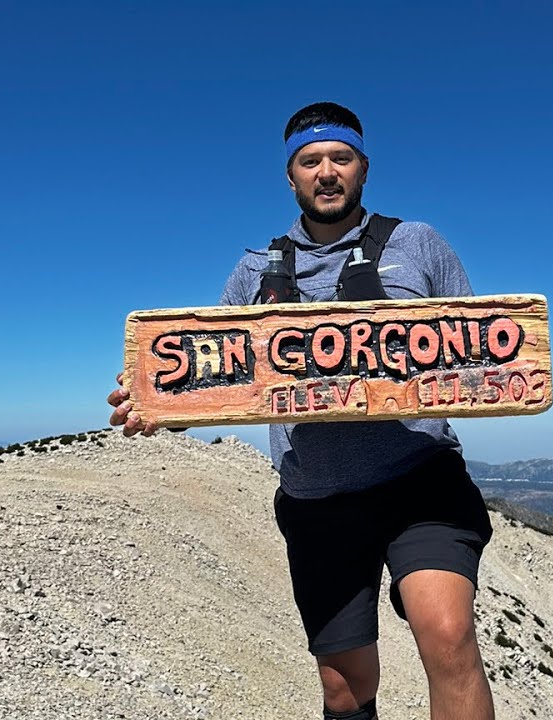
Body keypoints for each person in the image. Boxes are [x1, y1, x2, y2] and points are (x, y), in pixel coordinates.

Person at [107, 102, 495, 720]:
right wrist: (157, 399)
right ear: (291, 177)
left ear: (363, 169)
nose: (327, 172)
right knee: (346, 687)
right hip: (318, 497)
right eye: (310, 161)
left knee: (448, 637)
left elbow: (477, 351)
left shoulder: (418, 245)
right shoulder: (256, 270)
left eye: (341, 158)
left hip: (420, 479)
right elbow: (221, 379)